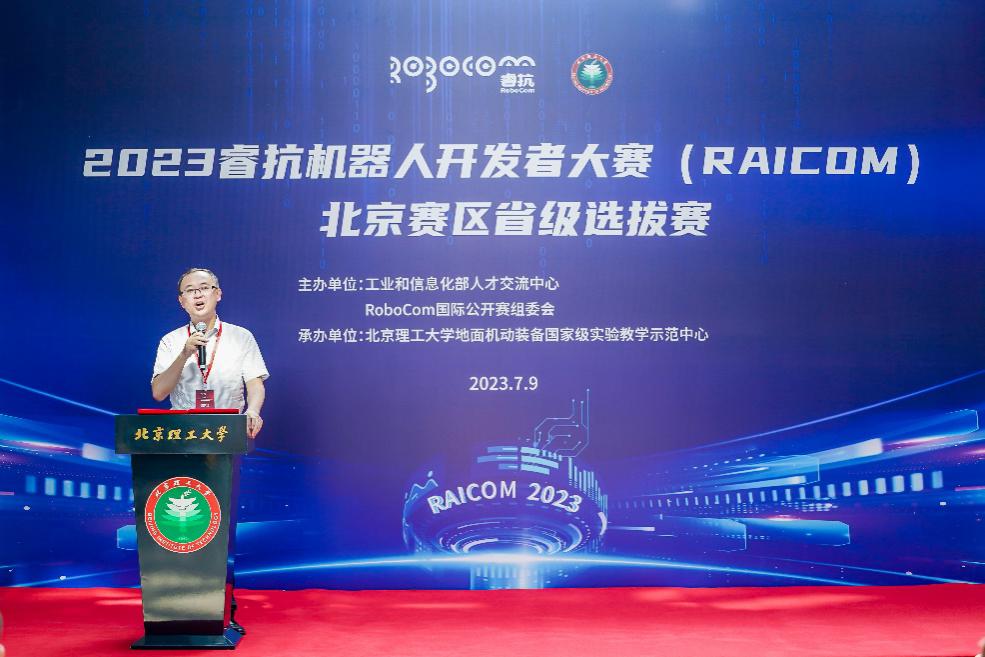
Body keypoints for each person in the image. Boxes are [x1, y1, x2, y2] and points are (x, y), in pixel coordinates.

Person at [150, 267, 269, 635]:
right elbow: (159, 392)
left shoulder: (241, 337)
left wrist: (253, 411)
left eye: (205, 288)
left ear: (218, 293)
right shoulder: (171, 341)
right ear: (181, 301)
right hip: (181, 441)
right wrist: (185, 353)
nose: (198, 295)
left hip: (225, 438)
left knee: (221, 523)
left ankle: (222, 608)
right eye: (190, 290)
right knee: (182, 523)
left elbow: (255, 384)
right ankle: (178, 607)